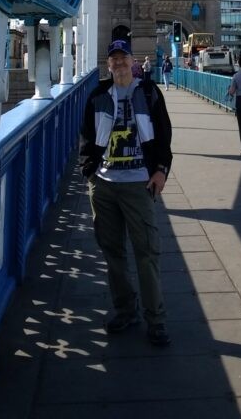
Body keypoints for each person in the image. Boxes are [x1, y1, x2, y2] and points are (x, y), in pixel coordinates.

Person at [78, 39, 172, 346]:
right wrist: (89, 170)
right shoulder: (98, 95)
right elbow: (85, 134)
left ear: (133, 61)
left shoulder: (148, 92)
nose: (119, 63)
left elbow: (164, 133)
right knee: (112, 251)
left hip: (138, 183)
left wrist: (161, 169)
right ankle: (126, 310)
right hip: (104, 183)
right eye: (114, 59)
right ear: (108, 64)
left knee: (147, 251)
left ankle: (156, 319)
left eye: (123, 58)